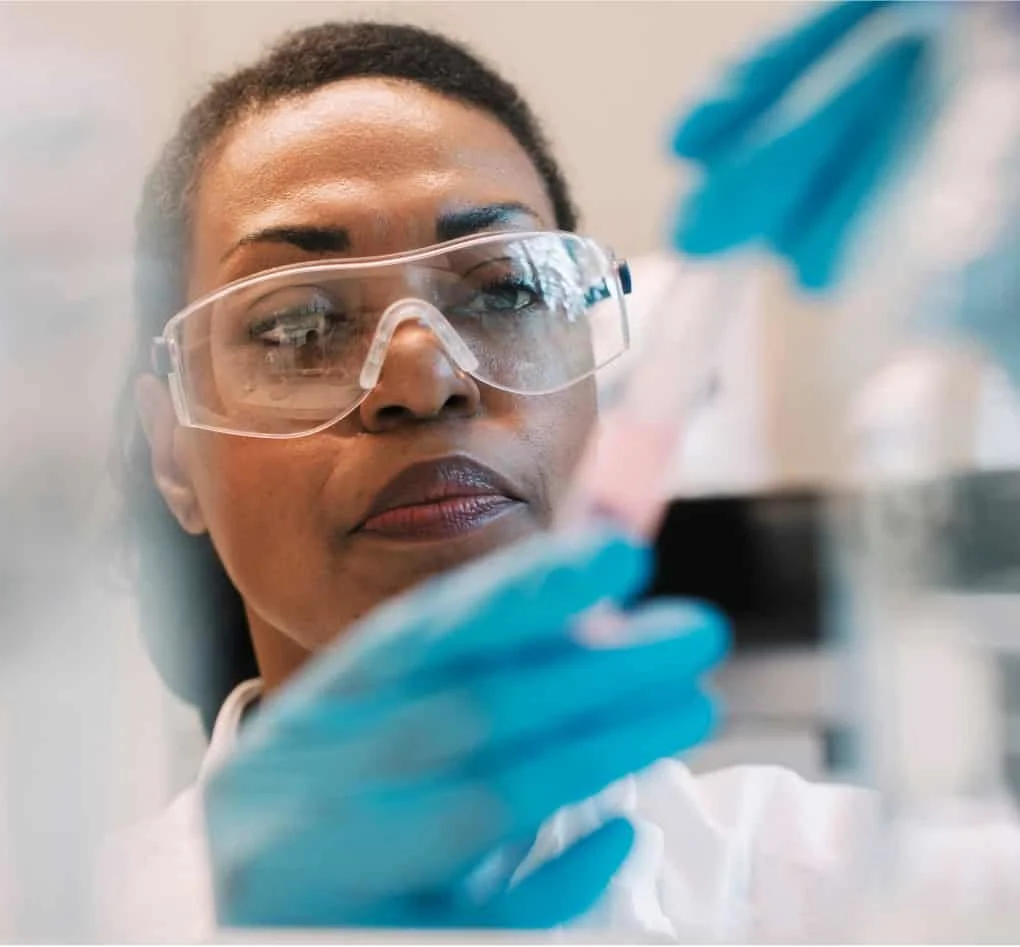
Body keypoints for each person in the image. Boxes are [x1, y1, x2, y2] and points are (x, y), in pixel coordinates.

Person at [105, 16, 1013, 942]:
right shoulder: (33, 912)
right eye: (298, 325)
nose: (424, 379)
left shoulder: (851, 893)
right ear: (176, 453)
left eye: (506, 291)